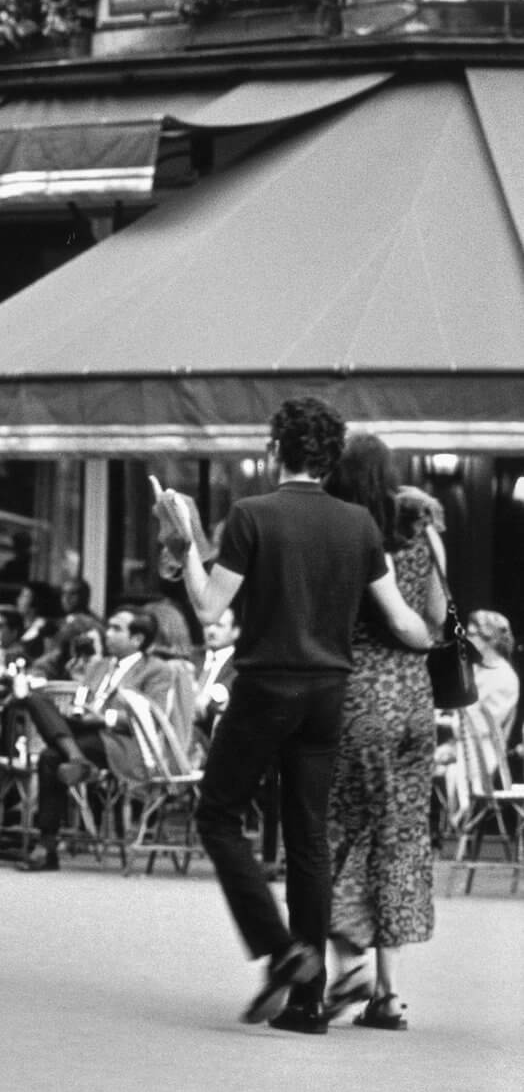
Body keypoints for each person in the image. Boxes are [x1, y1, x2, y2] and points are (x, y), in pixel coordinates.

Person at [159, 397, 433, 1033]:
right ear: (330, 457)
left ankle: (282, 950)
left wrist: (188, 541)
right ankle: (309, 1004)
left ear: (275, 449)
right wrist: (439, 642)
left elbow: (209, 608)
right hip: (329, 690)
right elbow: (399, 617)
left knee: (218, 814)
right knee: (308, 836)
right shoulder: (359, 523)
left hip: (266, 683)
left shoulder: (253, 514)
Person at [320, 435, 447, 1032]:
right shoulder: (426, 532)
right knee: (398, 836)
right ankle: (389, 995)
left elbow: (382, 618)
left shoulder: (352, 537)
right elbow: (439, 617)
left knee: (340, 829)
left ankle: (349, 965)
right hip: (417, 701)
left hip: (360, 696)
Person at [14, 607, 194, 872]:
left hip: (122, 741)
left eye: (116, 629)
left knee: (50, 757)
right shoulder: (99, 666)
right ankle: (76, 759)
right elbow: (82, 699)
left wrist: (104, 717)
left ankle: (46, 846)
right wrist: (75, 709)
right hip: (84, 731)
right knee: (36, 699)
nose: (107, 633)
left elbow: (151, 719)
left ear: (137, 639)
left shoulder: (156, 670)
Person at [466, 609, 519, 739]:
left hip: (481, 746)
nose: (466, 639)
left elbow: (483, 725)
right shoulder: (473, 666)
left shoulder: (506, 678)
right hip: (456, 741)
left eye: (472, 635)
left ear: (490, 640)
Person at [195, 606, 240, 739]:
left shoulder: (240, 663)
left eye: (219, 626)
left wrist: (208, 697)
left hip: (216, 733)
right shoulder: (190, 656)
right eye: (208, 625)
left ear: (235, 632)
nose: (211, 631)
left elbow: (227, 688)